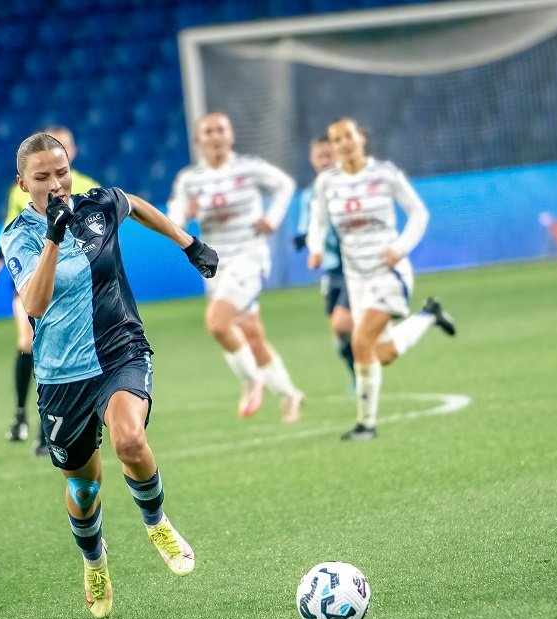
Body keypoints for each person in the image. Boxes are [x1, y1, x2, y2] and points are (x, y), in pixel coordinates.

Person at [0, 132, 219, 618]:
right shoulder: (19, 236)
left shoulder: (97, 205)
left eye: (61, 172)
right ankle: (95, 562)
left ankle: (157, 523)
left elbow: (135, 205)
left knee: (129, 441)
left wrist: (189, 242)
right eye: (42, 177)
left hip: (120, 349)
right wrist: (55, 235)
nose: (56, 183)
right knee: (84, 487)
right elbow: (34, 303)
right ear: (22, 183)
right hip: (62, 374)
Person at [308, 118, 456, 441]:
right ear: (332, 148)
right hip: (355, 278)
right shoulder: (327, 183)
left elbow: (419, 213)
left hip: (389, 273)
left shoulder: (385, 174)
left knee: (360, 341)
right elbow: (317, 218)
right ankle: (429, 315)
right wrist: (315, 248)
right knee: (382, 353)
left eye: (349, 136)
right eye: (336, 140)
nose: (344, 143)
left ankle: (366, 425)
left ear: (361, 138)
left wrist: (400, 247)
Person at [167, 112, 303, 421]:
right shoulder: (190, 178)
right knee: (251, 335)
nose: (215, 136)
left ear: (231, 136)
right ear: (199, 140)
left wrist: (273, 218)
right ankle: (290, 394)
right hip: (215, 265)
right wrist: (184, 215)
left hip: (250, 258)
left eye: (220, 130)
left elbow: (285, 184)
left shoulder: (249, 168)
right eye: (208, 131)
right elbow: (173, 220)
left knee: (217, 323)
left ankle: (251, 379)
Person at [0, 126, 99, 455]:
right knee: (27, 342)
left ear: (71, 150)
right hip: (30, 278)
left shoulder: (86, 185)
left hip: (70, 282)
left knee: (54, 348)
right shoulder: (22, 187)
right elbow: (11, 223)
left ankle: (46, 429)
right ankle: (22, 415)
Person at [293, 136, 354, 381]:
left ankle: (366, 366)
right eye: (321, 156)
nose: (325, 161)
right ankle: (356, 374)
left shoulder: (350, 185)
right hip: (331, 270)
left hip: (355, 266)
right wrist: (307, 243)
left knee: (343, 323)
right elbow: (305, 230)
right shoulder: (311, 196)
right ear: (312, 159)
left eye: (330, 155)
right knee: (338, 333)